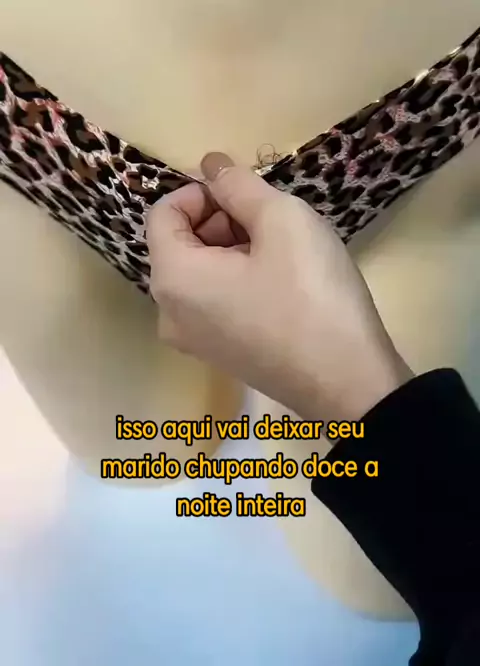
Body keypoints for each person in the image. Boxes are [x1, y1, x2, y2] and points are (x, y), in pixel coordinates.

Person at [146, 152, 480, 666]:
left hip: (404, 176)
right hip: (44, 142)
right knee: (133, 446)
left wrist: (347, 382)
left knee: (362, 579)